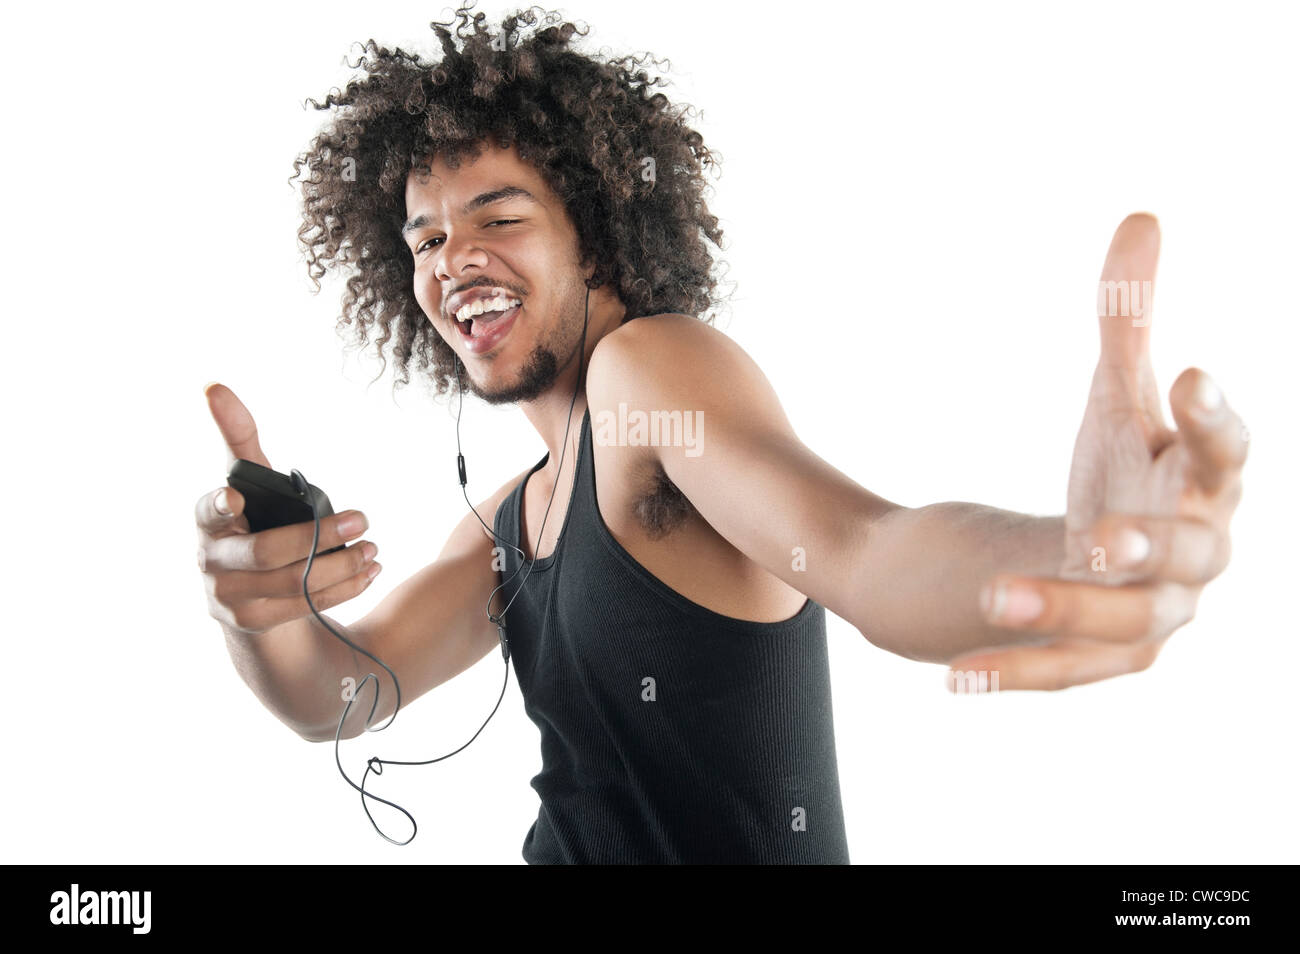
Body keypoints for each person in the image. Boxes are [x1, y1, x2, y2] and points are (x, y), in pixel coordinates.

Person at [193, 4, 1248, 863]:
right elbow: (341, 694)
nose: (450, 258)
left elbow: (861, 550)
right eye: (425, 236)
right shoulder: (509, 519)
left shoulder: (651, 373)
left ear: (596, 232)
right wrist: (256, 613)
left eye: (498, 216)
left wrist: (1074, 552)